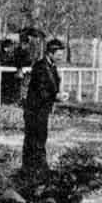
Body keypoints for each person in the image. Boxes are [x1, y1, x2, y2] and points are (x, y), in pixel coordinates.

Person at [21, 38, 65, 178]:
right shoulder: (40, 66)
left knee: (39, 138)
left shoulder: (51, 66)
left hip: (42, 109)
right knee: (35, 139)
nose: (61, 56)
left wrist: (57, 95)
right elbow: (41, 89)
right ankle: (37, 170)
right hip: (35, 109)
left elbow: (51, 87)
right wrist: (55, 96)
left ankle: (34, 169)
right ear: (50, 53)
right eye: (59, 54)